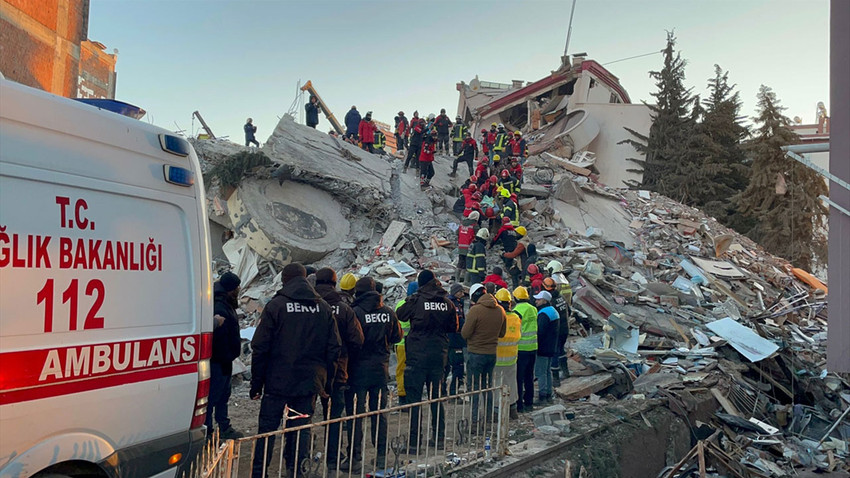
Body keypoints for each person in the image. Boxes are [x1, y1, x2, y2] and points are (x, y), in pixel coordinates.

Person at [250, 263, 342, 478]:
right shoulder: (323, 308)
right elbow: (334, 348)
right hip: (307, 383)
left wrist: (257, 384)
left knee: (267, 431)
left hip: (277, 382)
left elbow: (260, 347)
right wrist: (326, 384)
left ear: (285, 280)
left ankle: (259, 472)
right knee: (300, 429)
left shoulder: (276, 306)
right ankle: (296, 470)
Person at [396, 270, 458, 453]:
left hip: (417, 356)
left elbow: (400, 314)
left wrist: (413, 299)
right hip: (439, 355)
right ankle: (438, 438)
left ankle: (415, 443)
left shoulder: (416, 301)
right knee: (436, 397)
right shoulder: (447, 303)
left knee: (415, 400)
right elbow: (453, 327)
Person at [347, 277, 403, 472]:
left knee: (356, 414)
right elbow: (397, 336)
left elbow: (350, 341)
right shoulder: (388, 312)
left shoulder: (355, 313)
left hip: (358, 370)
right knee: (379, 414)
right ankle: (380, 456)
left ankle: (355, 458)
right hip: (381, 369)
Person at [314, 268, 365, 471]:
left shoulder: (309, 305)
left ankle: (298, 462)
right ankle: (333, 458)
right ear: (334, 284)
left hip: (311, 369)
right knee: (334, 415)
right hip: (338, 369)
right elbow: (357, 340)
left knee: (302, 416)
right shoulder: (344, 309)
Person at [461, 283, 507, 431]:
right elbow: (502, 333)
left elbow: (465, 333)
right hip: (491, 354)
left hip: (475, 353)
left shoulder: (475, 311)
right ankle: (487, 421)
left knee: (474, 389)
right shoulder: (500, 310)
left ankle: (474, 422)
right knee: (488, 387)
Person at [207, 271, 244, 439]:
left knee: (223, 396)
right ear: (231, 289)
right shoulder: (219, 305)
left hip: (224, 359)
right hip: (218, 360)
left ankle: (223, 426)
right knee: (214, 397)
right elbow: (218, 337)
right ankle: (208, 432)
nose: (239, 290)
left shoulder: (224, 301)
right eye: (237, 287)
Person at [494, 288, 522, 420]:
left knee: (496, 386)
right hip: (512, 357)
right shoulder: (516, 317)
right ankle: (513, 410)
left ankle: (496, 412)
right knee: (511, 384)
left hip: (498, 357)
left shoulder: (498, 316)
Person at [512, 286, 537, 413]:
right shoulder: (533, 309)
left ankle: (519, 405)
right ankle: (529, 403)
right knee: (529, 376)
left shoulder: (516, 311)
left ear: (515, 298)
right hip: (533, 347)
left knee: (519, 378)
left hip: (521, 348)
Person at [533, 290, 559, 404]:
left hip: (543, 347)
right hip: (551, 346)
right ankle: (549, 395)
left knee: (541, 372)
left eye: (538, 299)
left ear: (544, 300)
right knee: (547, 371)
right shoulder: (553, 311)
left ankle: (542, 396)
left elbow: (540, 331)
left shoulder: (543, 314)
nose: (536, 301)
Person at [394, 282, 418, 406]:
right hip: (413, 344)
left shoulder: (401, 304)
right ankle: (409, 396)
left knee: (401, 370)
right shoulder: (417, 304)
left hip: (401, 344)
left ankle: (402, 396)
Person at [542, 277, 569, 388]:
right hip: (565, 328)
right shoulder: (561, 297)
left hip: (556, 331)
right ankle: (566, 371)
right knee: (561, 350)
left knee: (554, 353)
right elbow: (569, 311)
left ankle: (556, 378)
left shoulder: (551, 302)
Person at [446, 283, 467, 395]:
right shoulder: (453, 304)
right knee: (458, 366)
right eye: (460, 291)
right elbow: (459, 322)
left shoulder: (457, 303)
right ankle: (453, 391)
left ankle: (444, 390)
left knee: (449, 366)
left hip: (452, 339)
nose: (463, 294)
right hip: (454, 339)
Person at [456, 214, 476, 283]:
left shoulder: (462, 224)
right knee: (468, 263)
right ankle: (465, 281)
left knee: (460, 262)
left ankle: (457, 279)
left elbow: (457, 233)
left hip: (461, 246)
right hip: (469, 247)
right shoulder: (474, 225)